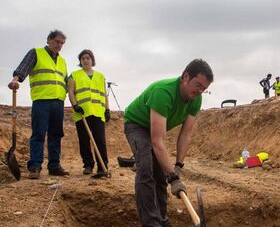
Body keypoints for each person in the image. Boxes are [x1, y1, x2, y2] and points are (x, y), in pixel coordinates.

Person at [124, 59, 213, 227]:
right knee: (146, 167)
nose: (200, 91)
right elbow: (157, 141)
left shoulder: (196, 99)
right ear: (186, 77)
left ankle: (162, 220)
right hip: (137, 124)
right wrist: (173, 177)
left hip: (154, 129)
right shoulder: (163, 92)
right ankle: (151, 223)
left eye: (204, 89)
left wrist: (177, 166)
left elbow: (186, 134)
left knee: (160, 174)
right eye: (198, 85)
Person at [7, 30, 69, 179]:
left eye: (62, 43)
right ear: (49, 40)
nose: (59, 45)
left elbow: (65, 81)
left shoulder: (62, 61)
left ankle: (54, 166)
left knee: (56, 134)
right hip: (41, 101)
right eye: (57, 42)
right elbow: (23, 68)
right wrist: (16, 79)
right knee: (39, 133)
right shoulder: (36, 53)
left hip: (59, 102)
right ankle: (35, 166)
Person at [67, 49, 110, 177]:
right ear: (80, 61)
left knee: (100, 140)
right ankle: (88, 165)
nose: (86, 60)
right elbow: (71, 92)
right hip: (82, 113)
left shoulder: (101, 76)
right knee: (84, 140)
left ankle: (103, 166)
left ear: (92, 60)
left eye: (88, 58)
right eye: (83, 58)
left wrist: (107, 109)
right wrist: (75, 106)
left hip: (98, 112)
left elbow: (104, 95)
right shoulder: (74, 75)